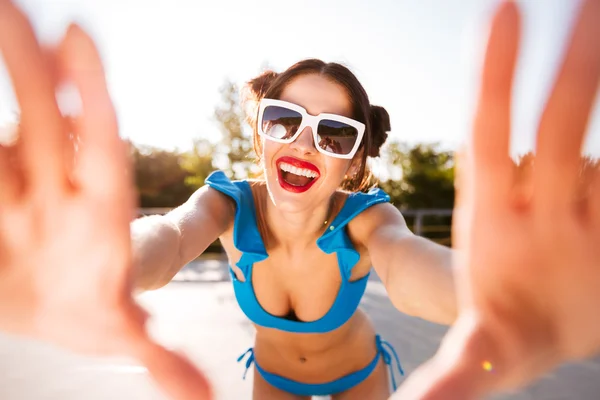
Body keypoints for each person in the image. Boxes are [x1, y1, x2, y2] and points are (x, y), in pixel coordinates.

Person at [0, 0, 598, 399]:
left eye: (335, 133)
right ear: (262, 131)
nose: (306, 141)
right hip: (272, 381)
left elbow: (411, 266)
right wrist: (114, 264)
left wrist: (486, 295)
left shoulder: (368, 220)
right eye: (284, 119)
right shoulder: (227, 205)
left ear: (354, 160)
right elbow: (171, 236)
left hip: (361, 376)